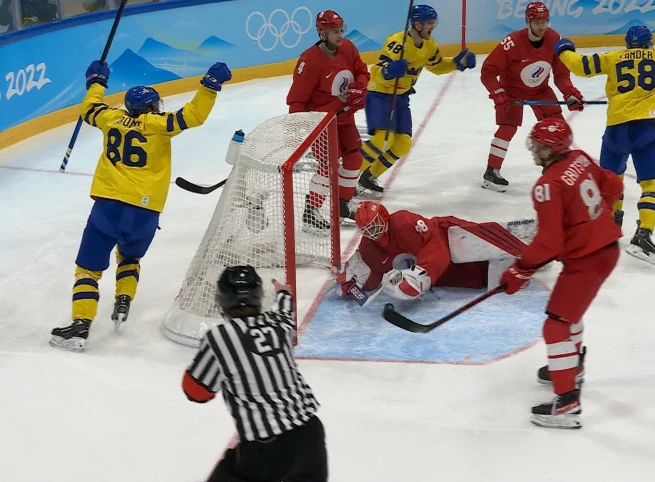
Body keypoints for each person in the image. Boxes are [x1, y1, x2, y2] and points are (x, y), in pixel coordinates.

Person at [49, 60, 231, 351]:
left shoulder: (109, 118)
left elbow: (89, 109)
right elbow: (193, 115)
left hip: (108, 208)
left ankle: (81, 326)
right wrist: (210, 86)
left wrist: (97, 81)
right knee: (130, 258)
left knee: (88, 270)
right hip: (145, 213)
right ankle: (123, 300)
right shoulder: (158, 125)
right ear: (149, 108)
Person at [553, 10, 655, 266]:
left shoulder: (613, 58)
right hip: (646, 130)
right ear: (650, 44)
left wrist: (564, 50)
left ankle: (609, 226)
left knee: (611, 180)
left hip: (615, 131)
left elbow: (580, 66)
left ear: (627, 45)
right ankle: (643, 234)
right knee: (654, 184)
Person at [500, 118, 623, 429]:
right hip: (605, 250)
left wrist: (520, 269)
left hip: (587, 260)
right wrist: (597, 222)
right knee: (570, 314)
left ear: (552, 149)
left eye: (539, 146)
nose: (534, 150)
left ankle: (567, 403)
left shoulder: (547, 187)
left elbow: (549, 242)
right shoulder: (579, 158)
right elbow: (613, 185)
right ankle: (573, 367)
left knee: (556, 326)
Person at [183, 266, 326, 481]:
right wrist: (283, 293)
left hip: (266, 449)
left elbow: (196, 392)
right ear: (258, 297)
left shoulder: (220, 337)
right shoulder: (279, 324)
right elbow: (285, 311)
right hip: (311, 437)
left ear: (222, 300)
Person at [356, 4, 476, 195]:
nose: (433, 26)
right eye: (429, 23)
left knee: (403, 144)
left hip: (402, 97)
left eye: (434, 22)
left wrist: (456, 63)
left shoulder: (429, 44)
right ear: (417, 24)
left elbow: (436, 66)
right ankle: (346, 176)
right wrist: (389, 71)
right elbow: (377, 71)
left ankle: (369, 176)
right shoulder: (397, 43)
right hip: (381, 95)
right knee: (382, 140)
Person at [479, 1, 584, 192]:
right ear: (527, 22)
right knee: (507, 128)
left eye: (544, 22)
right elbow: (487, 71)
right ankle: (491, 173)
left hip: (540, 90)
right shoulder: (512, 43)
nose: (541, 26)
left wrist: (570, 93)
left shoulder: (555, 39)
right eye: (537, 22)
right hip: (511, 92)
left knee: (558, 126)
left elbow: (561, 75)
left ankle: (558, 171)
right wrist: (498, 92)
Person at [336, 202, 529, 301]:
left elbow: (436, 244)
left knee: (472, 246)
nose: (372, 231)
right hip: (442, 275)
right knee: (477, 277)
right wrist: (355, 285)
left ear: (384, 216)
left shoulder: (404, 222)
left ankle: (527, 252)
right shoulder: (368, 247)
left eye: (374, 225)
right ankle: (512, 265)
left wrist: (421, 274)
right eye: (366, 229)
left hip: (445, 236)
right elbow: (374, 275)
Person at [287, 10, 369, 228]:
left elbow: (362, 71)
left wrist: (359, 88)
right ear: (322, 33)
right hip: (322, 123)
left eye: (341, 30)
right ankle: (310, 212)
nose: (340, 35)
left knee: (354, 159)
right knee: (328, 165)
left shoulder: (348, 48)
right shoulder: (310, 62)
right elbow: (296, 100)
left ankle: (342, 205)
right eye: (334, 31)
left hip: (345, 118)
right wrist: (298, 130)